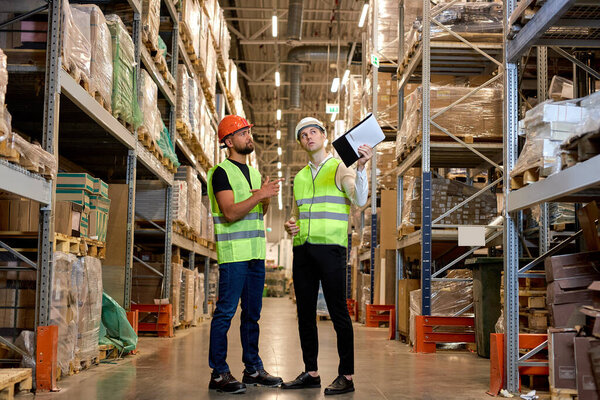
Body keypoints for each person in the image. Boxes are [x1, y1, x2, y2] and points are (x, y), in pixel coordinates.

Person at [282, 117, 373, 395]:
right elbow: (296, 215)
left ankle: (346, 375)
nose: (308, 137)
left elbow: (358, 200)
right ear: (300, 143)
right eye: (303, 135)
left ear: (324, 136)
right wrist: (290, 225)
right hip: (303, 250)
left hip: (331, 249)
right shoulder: (298, 177)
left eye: (313, 132)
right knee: (305, 314)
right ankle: (311, 372)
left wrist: (362, 168)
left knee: (338, 313)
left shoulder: (340, 166)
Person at [207, 115, 284, 394]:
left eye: (249, 131)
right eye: (243, 133)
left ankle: (252, 369)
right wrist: (258, 196)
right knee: (225, 314)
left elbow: (258, 212)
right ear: (229, 141)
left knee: (252, 314)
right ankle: (218, 373)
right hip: (233, 255)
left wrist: (265, 200)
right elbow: (229, 212)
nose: (249, 136)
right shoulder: (221, 172)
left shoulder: (253, 173)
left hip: (255, 254)